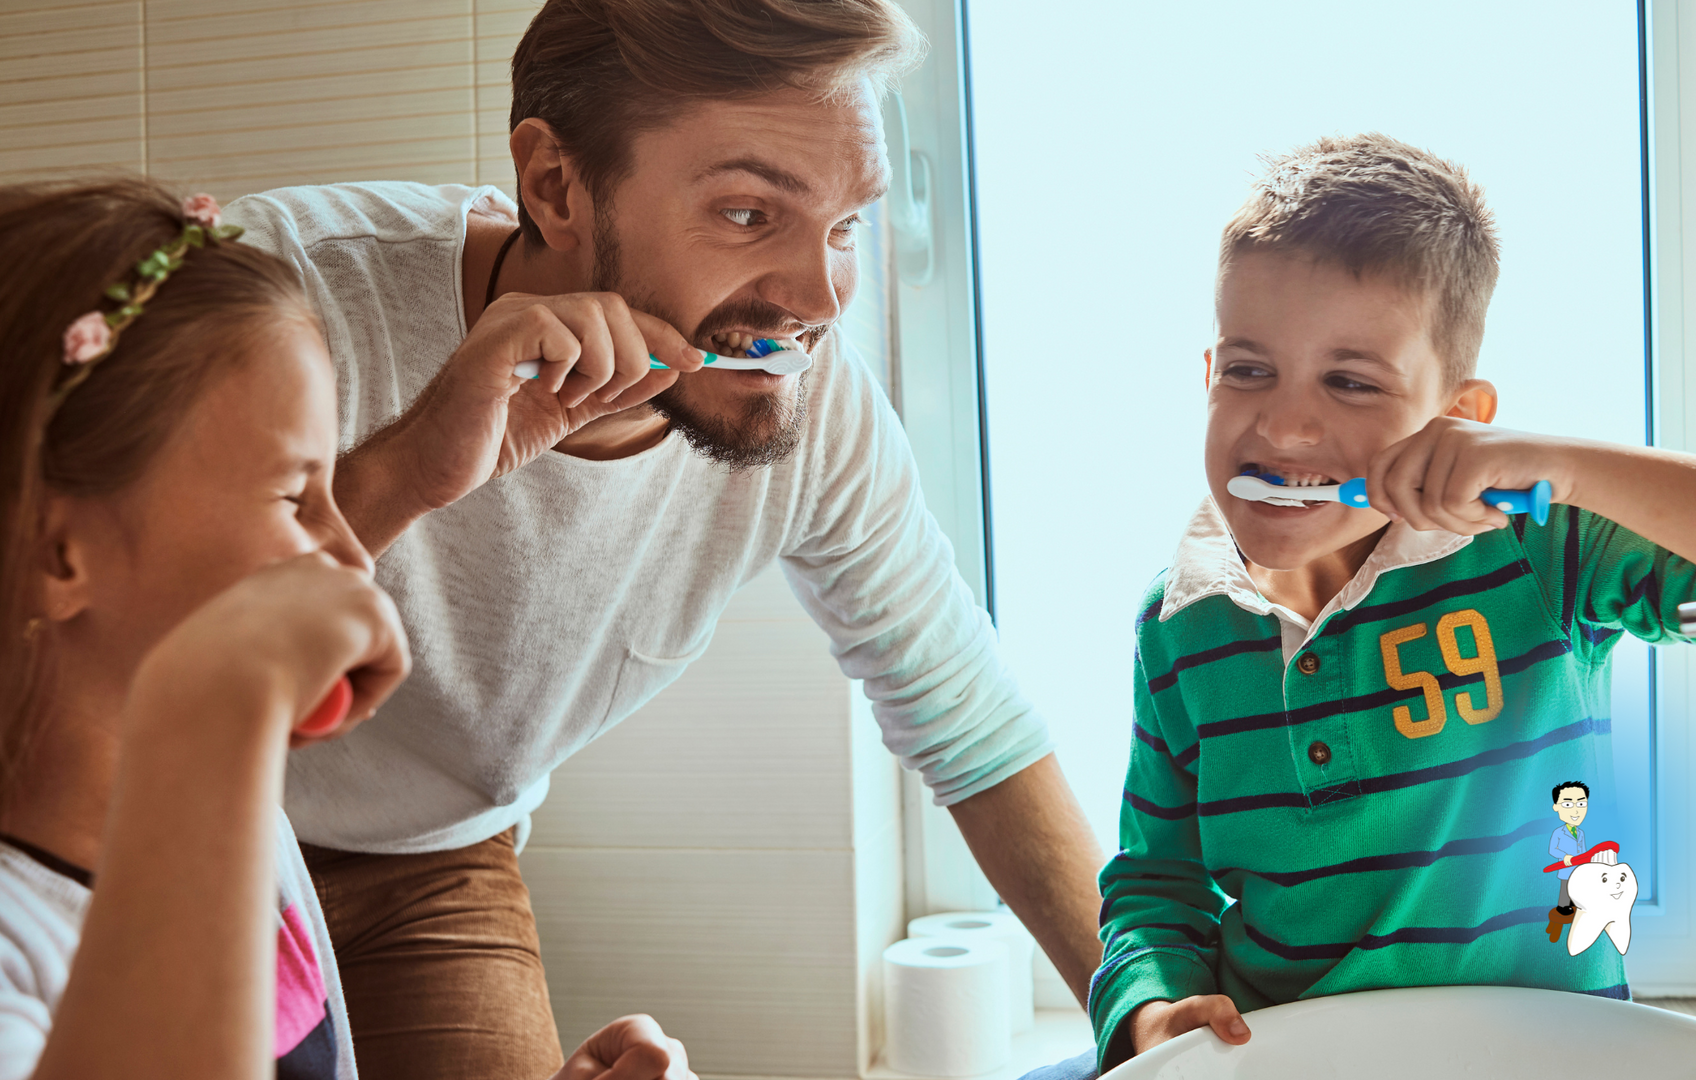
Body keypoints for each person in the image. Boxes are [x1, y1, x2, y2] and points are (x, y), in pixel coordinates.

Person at [220, 2, 1105, 1076]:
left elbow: (970, 723)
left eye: (843, 226)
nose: (820, 298)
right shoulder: (287, 292)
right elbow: (93, 638)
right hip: (169, 813)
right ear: (553, 186)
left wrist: (1140, 1016)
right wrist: (404, 472)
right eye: (746, 214)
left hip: (433, 864)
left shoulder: (817, 409)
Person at [0, 179, 695, 1080]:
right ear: (54, 553)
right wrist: (210, 722)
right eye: (293, 494)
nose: (351, 554)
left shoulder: (250, 840)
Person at [1086, 133, 1696, 1072]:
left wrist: (1568, 469)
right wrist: (1151, 1012)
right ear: (1208, 374)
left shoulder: (1537, 550)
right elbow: (1156, 882)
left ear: (1459, 418)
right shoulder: (1179, 626)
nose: (1280, 423)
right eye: (1246, 369)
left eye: (1350, 381)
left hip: (1543, 1055)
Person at [1549, 781, 1592, 921]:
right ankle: (1562, 906)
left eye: (1581, 804)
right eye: (1568, 804)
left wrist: (1587, 860)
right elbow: (1552, 850)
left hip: (1579, 868)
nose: (1576, 811)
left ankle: (1575, 904)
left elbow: (1583, 850)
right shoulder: (1558, 832)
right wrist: (1564, 856)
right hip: (1566, 868)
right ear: (1556, 807)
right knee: (1566, 887)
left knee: (1577, 887)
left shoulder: (1581, 833)